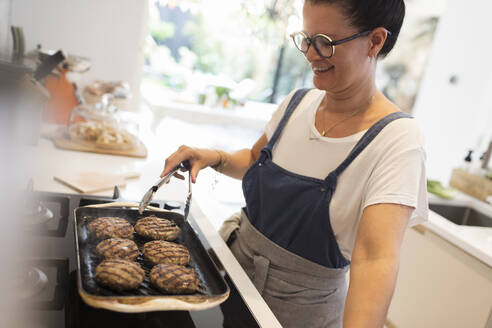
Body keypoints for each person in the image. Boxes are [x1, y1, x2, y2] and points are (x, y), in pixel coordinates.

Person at [161, 0, 428, 327]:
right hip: (231, 279)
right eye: (306, 38)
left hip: (300, 313)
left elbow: (376, 260)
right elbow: (254, 161)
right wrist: (214, 157)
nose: (311, 54)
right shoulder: (297, 103)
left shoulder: (396, 138)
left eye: (325, 43)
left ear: (375, 41)